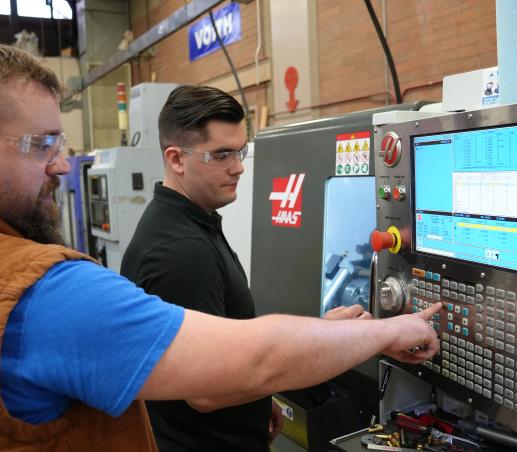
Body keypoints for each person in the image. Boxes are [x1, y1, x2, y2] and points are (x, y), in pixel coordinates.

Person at [0, 30, 441, 451]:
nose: (62, 167)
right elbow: (245, 361)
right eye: (42, 145)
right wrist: (386, 330)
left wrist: (335, 333)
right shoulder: (36, 292)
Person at [120, 85, 366, 451]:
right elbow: (206, 390)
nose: (238, 167)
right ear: (176, 159)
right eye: (221, 155)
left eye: (240, 151)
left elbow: (224, 335)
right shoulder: (180, 252)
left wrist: (258, 402)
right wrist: (320, 337)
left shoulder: (192, 223)